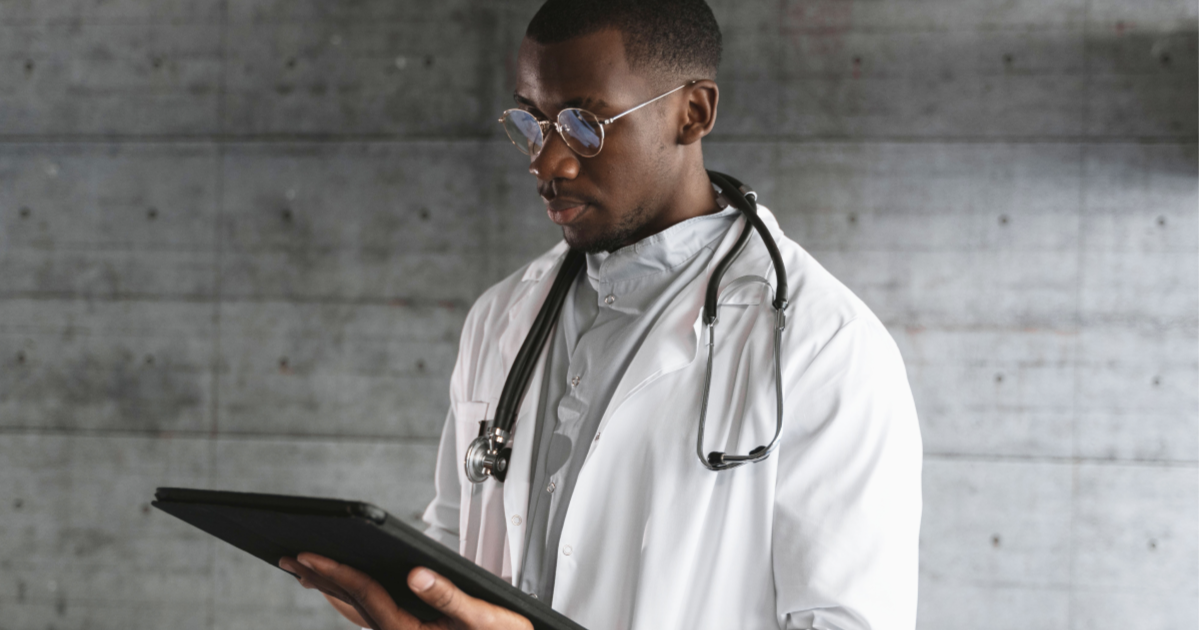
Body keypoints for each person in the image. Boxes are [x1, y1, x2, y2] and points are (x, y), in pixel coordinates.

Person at [280, 1, 922, 628]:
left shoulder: (824, 347)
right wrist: (416, 606)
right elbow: (454, 536)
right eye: (532, 123)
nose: (547, 162)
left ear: (692, 113)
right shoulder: (502, 316)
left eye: (585, 124)